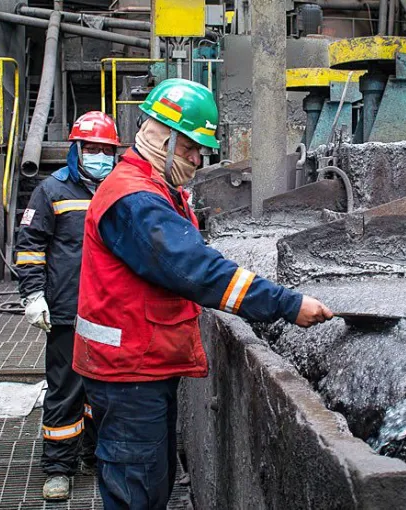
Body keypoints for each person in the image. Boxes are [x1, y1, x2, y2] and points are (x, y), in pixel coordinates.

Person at [73, 78, 333, 509]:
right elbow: (198, 271)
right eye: (191, 148)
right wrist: (287, 304)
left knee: (150, 483)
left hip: (138, 366)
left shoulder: (153, 189)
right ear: (163, 136)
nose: (197, 159)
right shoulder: (136, 200)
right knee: (137, 491)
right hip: (129, 373)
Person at [14, 111, 120, 501]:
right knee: (66, 388)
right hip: (67, 309)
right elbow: (29, 248)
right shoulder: (52, 191)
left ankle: (95, 453)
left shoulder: (121, 190)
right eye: (91, 148)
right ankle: (59, 467)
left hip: (110, 310)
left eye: (106, 150)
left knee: (105, 388)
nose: (100, 156)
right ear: (76, 149)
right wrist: (32, 295)